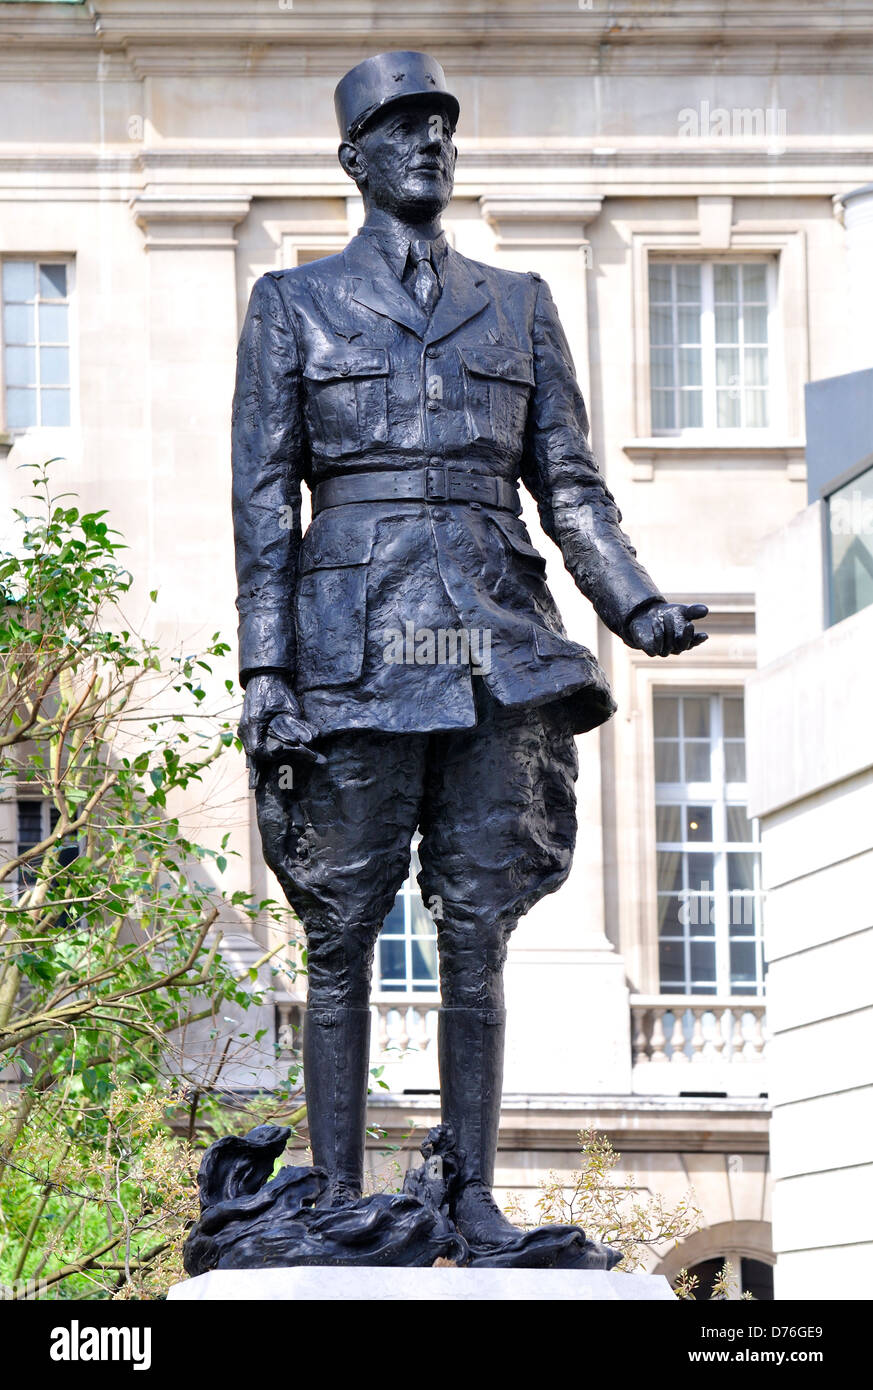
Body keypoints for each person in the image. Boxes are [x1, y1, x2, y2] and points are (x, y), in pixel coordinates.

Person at [232, 50, 707, 1255]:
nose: (429, 145)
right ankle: (335, 1189)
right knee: (341, 925)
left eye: (440, 127)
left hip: (498, 643)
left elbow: (572, 488)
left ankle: (473, 1189)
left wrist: (636, 606)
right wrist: (265, 674)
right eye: (401, 130)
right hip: (352, 645)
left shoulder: (521, 301)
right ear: (356, 160)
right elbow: (259, 502)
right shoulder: (293, 306)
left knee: (478, 927)